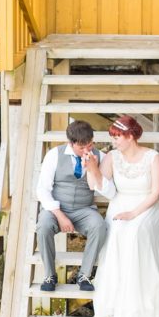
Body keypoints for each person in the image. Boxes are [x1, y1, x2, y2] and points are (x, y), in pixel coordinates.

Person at [87, 115, 159, 317]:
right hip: (120, 203)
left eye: (118, 137)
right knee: (116, 230)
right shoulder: (112, 157)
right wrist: (92, 167)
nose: (114, 142)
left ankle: (138, 301)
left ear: (131, 136)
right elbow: (98, 186)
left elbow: (155, 193)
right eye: (113, 138)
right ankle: (118, 300)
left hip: (146, 206)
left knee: (134, 232)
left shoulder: (153, 157)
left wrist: (135, 213)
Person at [36, 119, 115, 292]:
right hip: (57, 209)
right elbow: (42, 190)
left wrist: (93, 168)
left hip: (84, 209)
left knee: (99, 226)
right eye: (82, 147)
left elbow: (103, 189)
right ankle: (50, 275)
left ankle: (84, 274)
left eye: (90, 144)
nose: (87, 150)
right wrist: (60, 216)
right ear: (71, 143)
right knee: (43, 226)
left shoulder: (99, 156)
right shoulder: (54, 155)